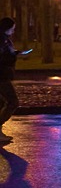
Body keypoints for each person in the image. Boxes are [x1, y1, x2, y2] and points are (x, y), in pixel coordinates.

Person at [0, 16, 25, 146]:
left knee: (2, 103)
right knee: (12, 102)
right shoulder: (2, 40)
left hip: (3, 75)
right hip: (1, 76)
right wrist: (12, 56)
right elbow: (3, 58)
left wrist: (14, 54)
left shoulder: (5, 40)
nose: (13, 31)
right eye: (12, 28)